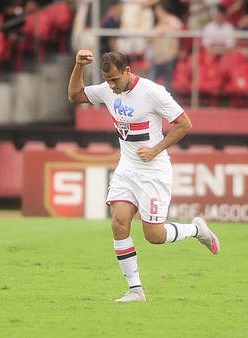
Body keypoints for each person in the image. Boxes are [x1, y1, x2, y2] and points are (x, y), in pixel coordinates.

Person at [68, 49, 220, 302]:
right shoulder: (108, 90)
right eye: (107, 80)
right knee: (118, 223)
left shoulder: (153, 92)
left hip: (154, 171)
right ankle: (135, 290)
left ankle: (196, 230)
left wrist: (155, 149)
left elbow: (185, 123)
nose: (111, 85)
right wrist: (79, 66)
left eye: (115, 79)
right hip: (127, 169)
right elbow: (74, 96)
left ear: (127, 71)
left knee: (154, 236)